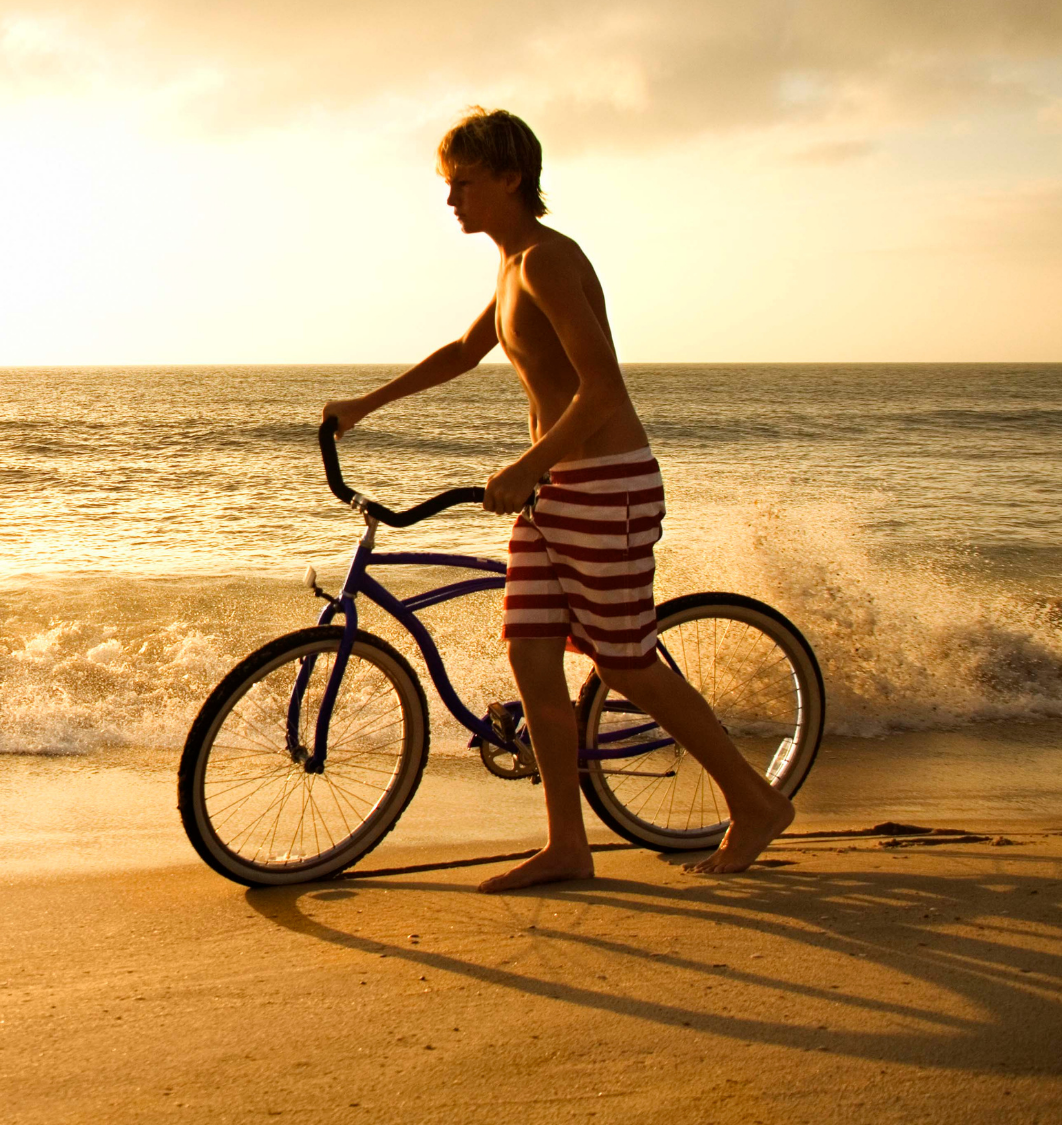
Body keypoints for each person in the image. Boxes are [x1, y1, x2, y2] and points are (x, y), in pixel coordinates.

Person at [320, 107, 796, 891]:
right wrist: (366, 404)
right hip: (556, 488)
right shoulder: (511, 264)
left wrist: (526, 463)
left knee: (626, 661)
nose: (451, 202)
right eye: (448, 186)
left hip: (605, 481)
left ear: (510, 177)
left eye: (463, 184)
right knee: (531, 658)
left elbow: (606, 389)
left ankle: (753, 800)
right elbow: (467, 350)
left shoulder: (546, 259)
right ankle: (567, 845)